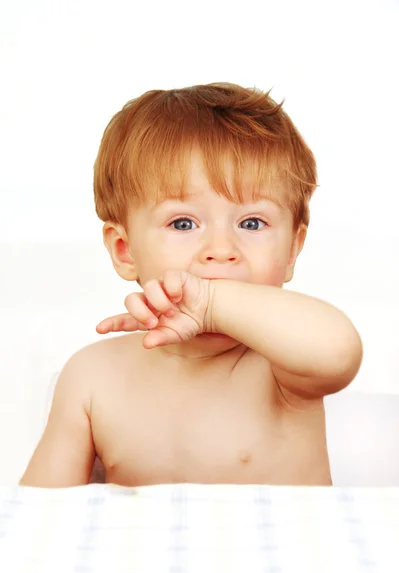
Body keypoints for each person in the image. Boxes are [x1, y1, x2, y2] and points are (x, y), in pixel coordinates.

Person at [19, 83, 362, 488]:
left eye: (252, 223)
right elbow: (40, 514)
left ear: (291, 250)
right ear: (125, 250)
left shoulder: (285, 365)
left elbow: (339, 351)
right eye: (183, 223)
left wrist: (212, 302)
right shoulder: (92, 378)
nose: (220, 249)